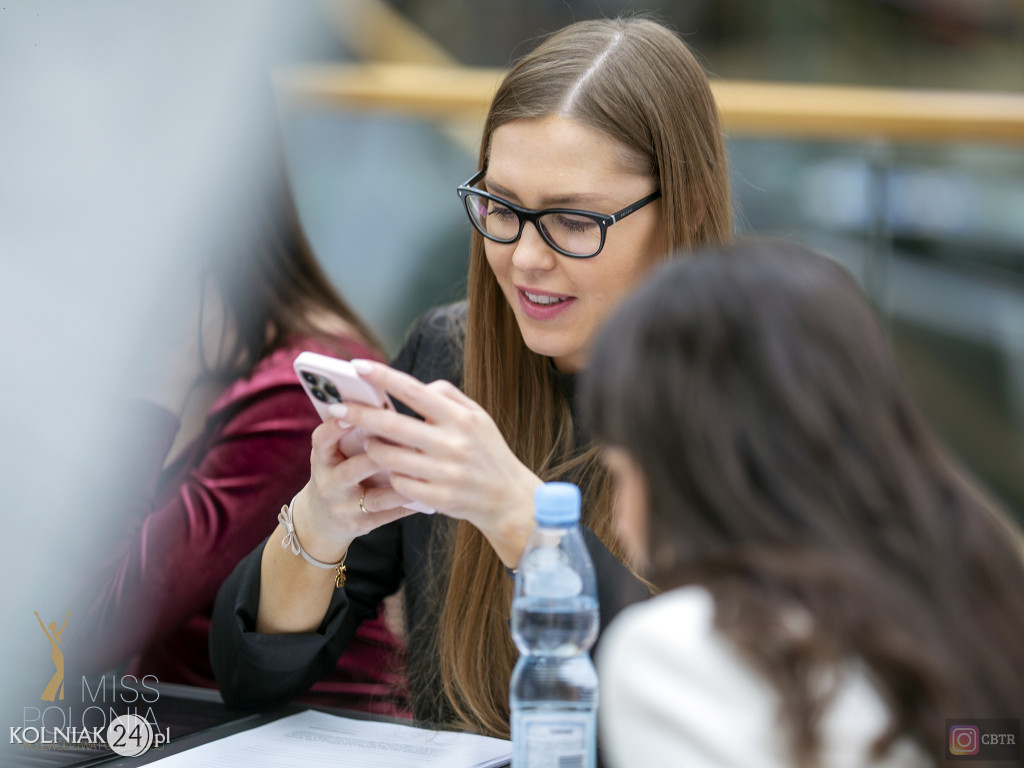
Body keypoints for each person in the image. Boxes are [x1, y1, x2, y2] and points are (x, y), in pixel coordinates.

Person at [211, 16, 733, 737]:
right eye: (502, 207)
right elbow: (252, 674)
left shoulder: (762, 398)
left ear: (688, 204)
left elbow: (717, 706)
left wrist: (520, 518)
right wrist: (322, 520)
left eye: (574, 222)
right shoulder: (449, 356)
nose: (523, 259)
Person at [581, 240, 1024, 768]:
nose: (619, 516)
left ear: (693, 472)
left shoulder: (675, 652)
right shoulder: (982, 597)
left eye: (621, 471)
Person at [70, 151, 411, 716]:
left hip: (293, 745)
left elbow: (76, 630)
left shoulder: (292, 393)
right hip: (166, 730)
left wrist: (157, 380)